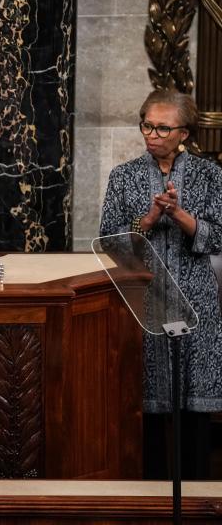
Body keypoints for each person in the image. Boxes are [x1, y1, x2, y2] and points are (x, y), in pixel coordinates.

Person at [99, 89, 222, 479]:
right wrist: (148, 220)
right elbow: (108, 241)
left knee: (194, 413)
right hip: (144, 304)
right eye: (147, 125)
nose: (151, 134)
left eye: (162, 128)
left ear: (184, 133)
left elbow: (219, 236)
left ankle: (199, 498)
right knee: (147, 410)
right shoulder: (124, 176)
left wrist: (180, 216)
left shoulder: (211, 176)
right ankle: (149, 498)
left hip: (197, 300)